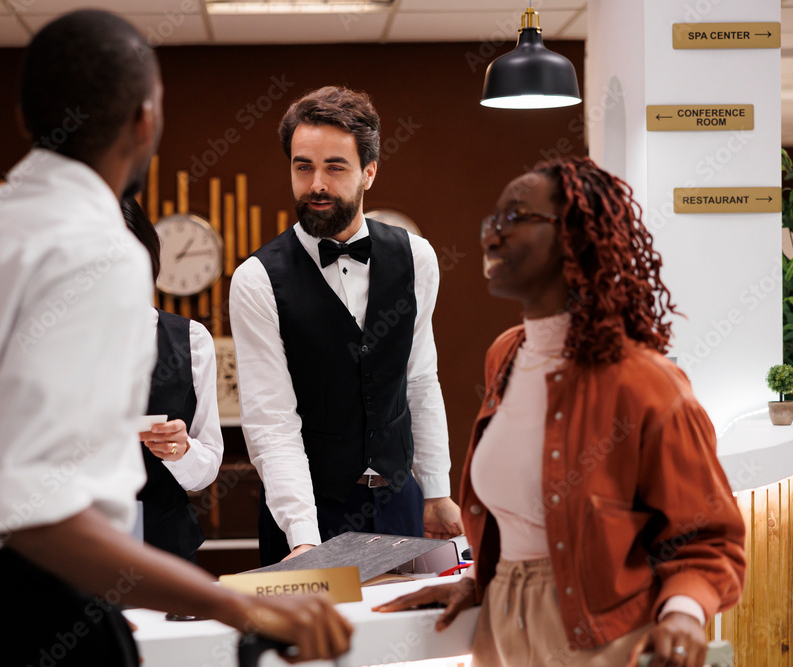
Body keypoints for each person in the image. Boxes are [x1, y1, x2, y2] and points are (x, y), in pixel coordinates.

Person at [0, 11, 351, 666]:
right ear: (145, 120)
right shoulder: (101, 252)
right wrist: (239, 603)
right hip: (44, 620)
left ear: (23, 120)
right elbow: (37, 516)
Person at [374, 156, 745, 667]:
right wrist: (482, 581)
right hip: (502, 624)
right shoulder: (506, 354)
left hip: (601, 639)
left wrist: (682, 614)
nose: (492, 236)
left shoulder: (645, 382)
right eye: (492, 221)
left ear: (575, 239)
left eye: (516, 218)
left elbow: (708, 537)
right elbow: (522, 521)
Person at [230, 86, 462, 567]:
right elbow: (271, 421)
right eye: (303, 166)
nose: (316, 183)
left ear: (369, 172)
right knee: (315, 645)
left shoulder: (417, 257)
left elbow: (419, 377)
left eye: (335, 167)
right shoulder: (256, 279)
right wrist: (303, 535)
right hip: (308, 513)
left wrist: (436, 489)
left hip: (400, 503)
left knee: (412, 637)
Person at [122, 197, 223, 562]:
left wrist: (180, 451)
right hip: (74, 552)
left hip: (164, 548)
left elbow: (207, 466)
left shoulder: (191, 340)